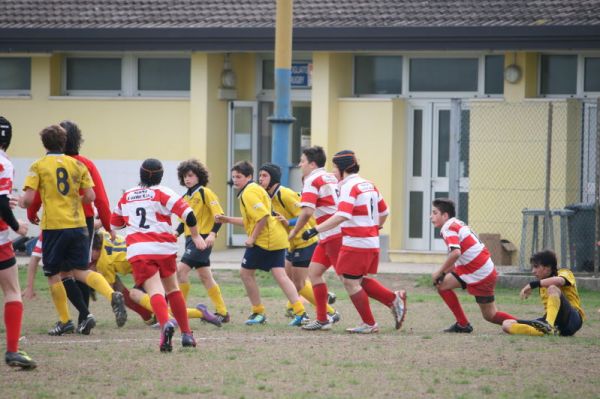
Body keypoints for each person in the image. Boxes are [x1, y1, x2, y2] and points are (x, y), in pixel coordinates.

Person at [19, 124, 127, 336]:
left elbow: (31, 198)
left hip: (55, 226)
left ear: (44, 143)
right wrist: (78, 202)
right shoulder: (79, 165)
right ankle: (106, 298)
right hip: (79, 225)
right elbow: (94, 197)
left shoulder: (38, 165)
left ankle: (65, 320)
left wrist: (24, 204)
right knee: (78, 270)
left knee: (53, 273)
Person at [301, 150, 406, 333]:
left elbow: (342, 214)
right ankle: (323, 318)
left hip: (357, 241)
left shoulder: (349, 186)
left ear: (343, 168)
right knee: (326, 273)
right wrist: (375, 229)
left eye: (335, 167)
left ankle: (374, 318)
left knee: (350, 281)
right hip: (369, 240)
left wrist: (315, 229)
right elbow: (384, 212)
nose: (332, 171)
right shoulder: (368, 184)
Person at [111, 158, 207, 352]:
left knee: (155, 291)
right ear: (161, 176)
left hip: (140, 250)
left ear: (141, 174)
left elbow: (115, 223)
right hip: (164, 248)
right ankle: (187, 334)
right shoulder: (163, 192)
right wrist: (196, 236)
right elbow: (189, 215)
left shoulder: (127, 195)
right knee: (173, 289)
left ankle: (166, 324)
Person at [215, 161, 306, 326]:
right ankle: (300, 312)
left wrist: (252, 238)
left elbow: (262, 217)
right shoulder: (253, 189)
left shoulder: (249, 193)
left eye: (239, 177)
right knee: (280, 275)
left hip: (266, 240)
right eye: (233, 177)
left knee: (246, 273)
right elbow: (252, 219)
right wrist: (227, 219)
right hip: (276, 237)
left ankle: (258, 312)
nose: (235, 180)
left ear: (249, 177)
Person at [258, 162, 339, 323]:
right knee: (289, 279)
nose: (260, 179)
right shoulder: (268, 196)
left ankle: (330, 312)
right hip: (291, 243)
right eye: (259, 175)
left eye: (264, 176)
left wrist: (289, 223)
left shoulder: (285, 194)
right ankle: (300, 306)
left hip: (305, 241)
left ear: (273, 178)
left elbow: (306, 215)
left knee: (299, 283)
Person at [90, 232, 220, 327]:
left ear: (95, 250)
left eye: (89, 252)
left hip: (148, 264)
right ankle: (200, 313)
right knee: (165, 304)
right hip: (157, 256)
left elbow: (116, 291)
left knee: (136, 295)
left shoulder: (103, 262)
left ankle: (171, 318)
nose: (88, 256)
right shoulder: (105, 235)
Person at [430, 198, 516, 333]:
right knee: (441, 284)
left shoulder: (447, 228)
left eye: (435, 213)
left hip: (480, 273)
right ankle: (463, 324)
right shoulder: (456, 223)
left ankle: (528, 326)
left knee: (490, 315)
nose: (431, 216)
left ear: (445, 215)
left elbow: (456, 253)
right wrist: (443, 273)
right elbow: (462, 254)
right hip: (472, 269)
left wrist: (440, 271)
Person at [288, 146, 343, 331]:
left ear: (312, 164)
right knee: (314, 272)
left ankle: (391, 300)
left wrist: (294, 232)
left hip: (334, 234)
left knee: (352, 280)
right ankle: (323, 318)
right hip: (331, 233)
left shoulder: (312, 180)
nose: (299, 164)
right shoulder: (330, 176)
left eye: (302, 161)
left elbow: (307, 212)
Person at [0, 116, 36, 369]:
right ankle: (12, 350)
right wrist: (16, 225)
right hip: (0, 239)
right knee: (12, 290)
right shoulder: (4, 163)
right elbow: (1, 202)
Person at [175, 159, 229, 325]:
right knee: (205, 276)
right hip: (190, 239)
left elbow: (218, 216)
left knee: (180, 272)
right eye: (184, 176)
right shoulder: (185, 197)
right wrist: (174, 234)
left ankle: (179, 313)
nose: (187, 179)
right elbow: (184, 222)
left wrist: (213, 234)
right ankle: (222, 312)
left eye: (190, 175)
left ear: (199, 176)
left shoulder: (205, 192)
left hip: (203, 239)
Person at [502, 249, 585, 336]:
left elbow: (560, 281)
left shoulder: (564, 273)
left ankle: (548, 326)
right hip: (555, 322)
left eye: (536, 267)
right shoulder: (542, 285)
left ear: (547, 268)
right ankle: (549, 331)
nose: (533, 271)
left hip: (572, 319)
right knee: (507, 324)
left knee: (552, 288)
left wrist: (532, 285)